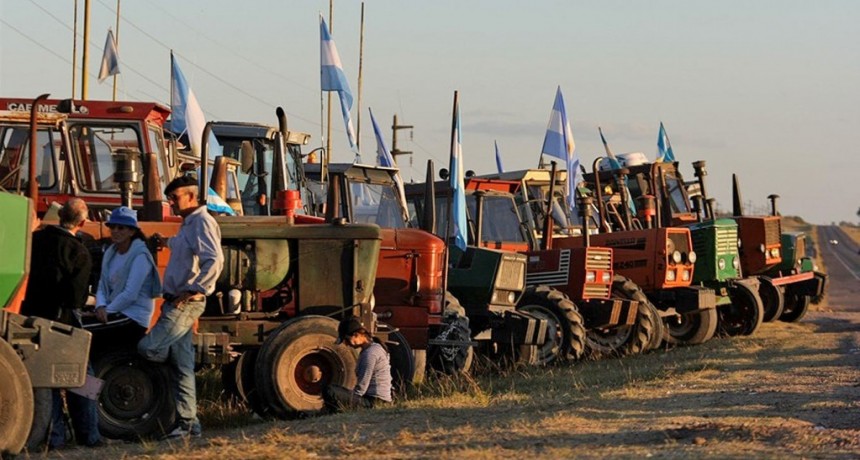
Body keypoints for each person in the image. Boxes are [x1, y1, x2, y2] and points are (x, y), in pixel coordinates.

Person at [138, 175, 223, 439]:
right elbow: (184, 247)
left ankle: (160, 400)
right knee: (182, 366)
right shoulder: (189, 224)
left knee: (149, 347)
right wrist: (165, 242)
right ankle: (189, 424)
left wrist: (194, 290)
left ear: (190, 196)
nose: (171, 203)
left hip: (184, 304)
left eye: (174, 198)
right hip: (178, 301)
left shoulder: (202, 222)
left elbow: (214, 259)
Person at [20, 198, 102, 448]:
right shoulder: (79, 251)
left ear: (59, 216)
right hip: (64, 320)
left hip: (33, 316)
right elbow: (76, 298)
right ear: (83, 222)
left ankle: (54, 437)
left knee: (47, 378)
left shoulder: (36, 241)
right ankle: (89, 435)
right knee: (85, 378)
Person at [91, 206, 162, 352]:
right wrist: (100, 306)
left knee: (84, 332)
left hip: (133, 318)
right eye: (112, 227)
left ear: (132, 231)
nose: (115, 231)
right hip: (114, 312)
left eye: (121, 228)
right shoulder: (111, 253)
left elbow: (130, 294)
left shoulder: (140, 257)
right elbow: (102, 285)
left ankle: (89, 373)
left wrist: (107, 311)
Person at [324, 317, 393, 412]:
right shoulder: (373, 348)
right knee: (336, 390)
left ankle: (335, 412)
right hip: (376, 399)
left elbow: (361, 388)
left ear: (356, 335)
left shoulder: (370, 354)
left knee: (330, 391)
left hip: (374, 401)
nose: (347, 344)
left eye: (347, 340)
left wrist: (349, 399)